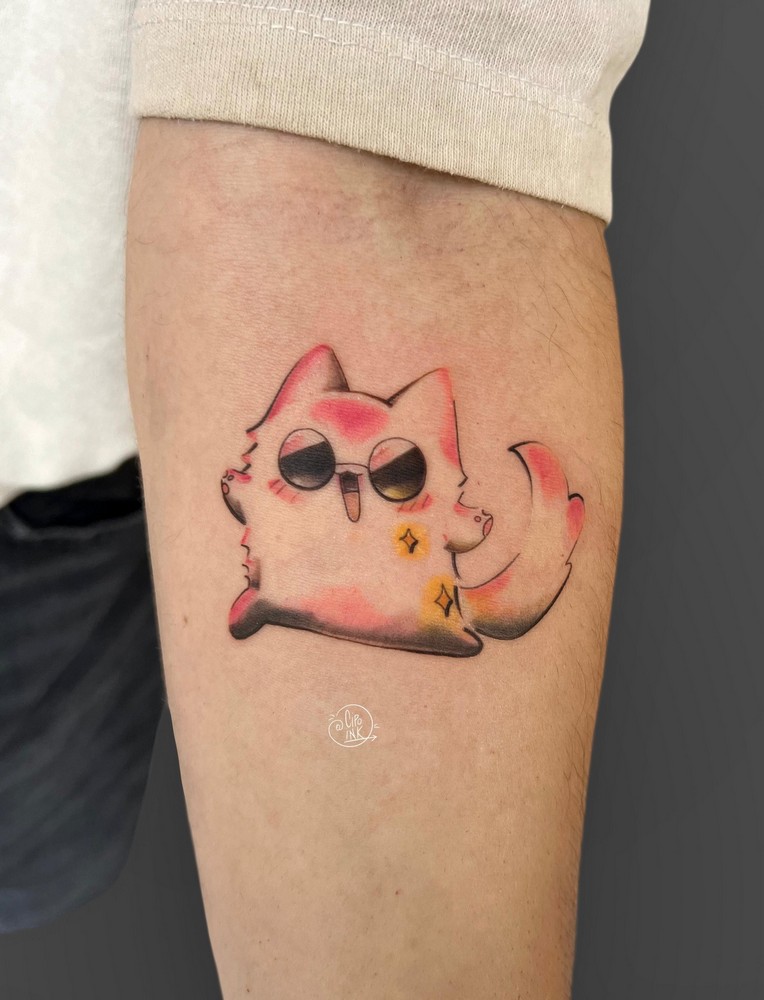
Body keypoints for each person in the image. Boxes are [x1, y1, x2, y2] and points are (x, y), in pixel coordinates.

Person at [0, 1, 649, 995]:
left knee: (32, 853)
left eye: (392, 476)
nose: (350, 489)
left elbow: (388, 149)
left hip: (52, 494)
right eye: (312, 466)